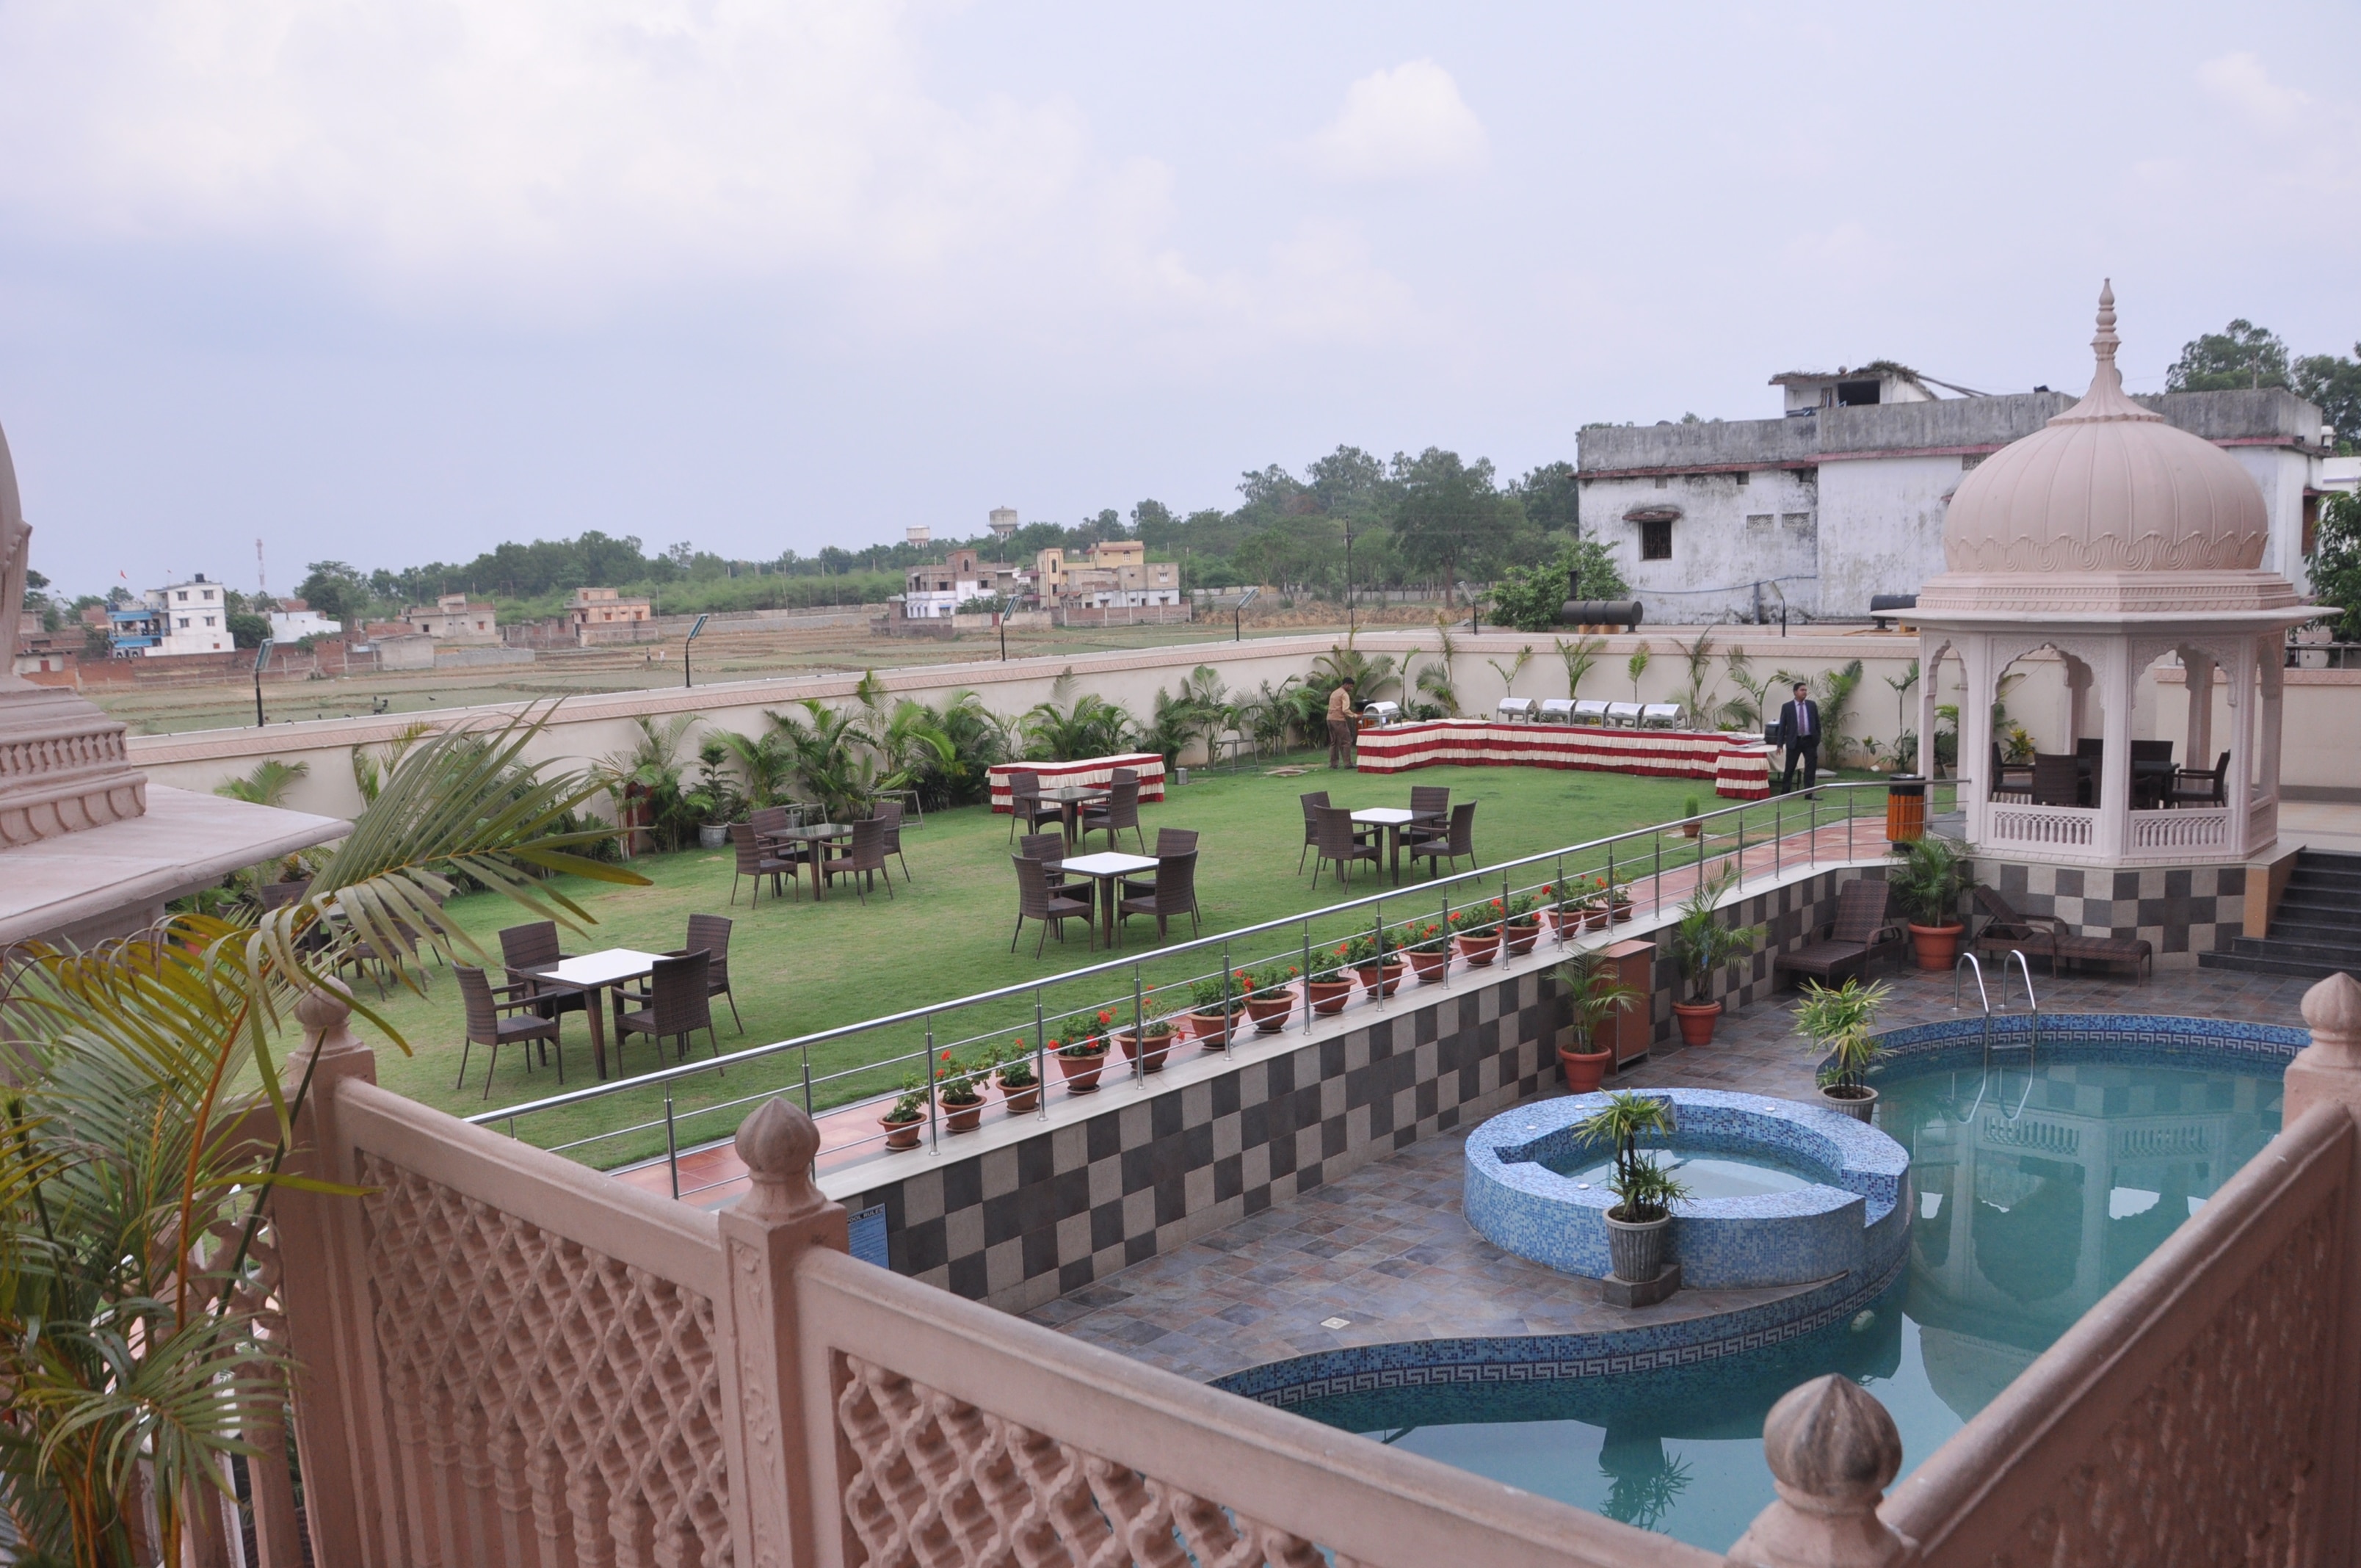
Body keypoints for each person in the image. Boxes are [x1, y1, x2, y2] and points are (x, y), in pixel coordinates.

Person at [1776, 680, 1821, 793]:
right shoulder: (1787, 707)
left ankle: (1809, 793)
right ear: (1795, 692)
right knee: (1790, 768)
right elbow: (1782, 726)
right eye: (1802, 690)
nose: (1804, 692)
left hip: (1809, 741)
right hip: (1794, 741)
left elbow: (1817, 723)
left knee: (1810, 769)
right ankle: (1785, 792)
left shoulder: (1811, 705)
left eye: (1805, 690)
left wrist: (1817, 738)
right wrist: (1780, 744)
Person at [1327, 679, 1357, 769]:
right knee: (1347, 741)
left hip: (1329, 719)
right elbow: (1345, 710)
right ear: (1346, 684)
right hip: (1339, 720)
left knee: (1334, 742)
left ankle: (1333, 764)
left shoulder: (1335, 693)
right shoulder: (1344, 694)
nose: (1351, 688)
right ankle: (1348, 764)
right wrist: (1355, 716)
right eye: (1351, 686)